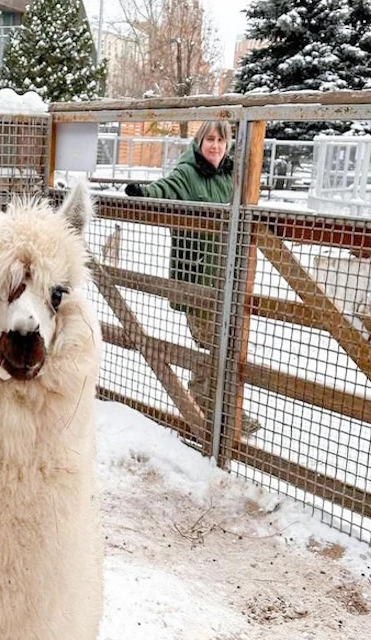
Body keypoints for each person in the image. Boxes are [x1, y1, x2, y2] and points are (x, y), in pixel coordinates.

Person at [125, 121, 261, 436]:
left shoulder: (231, 176)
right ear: (199, 143)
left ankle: (221, 410)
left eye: (220, 140)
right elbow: (166, 188)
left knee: (228, 345)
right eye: (209, 140)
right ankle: (207, 413)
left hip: (228, 279)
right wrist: (143, 193)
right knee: (215, 345)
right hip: (197, 278)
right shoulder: (188, 173)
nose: (215, 146)